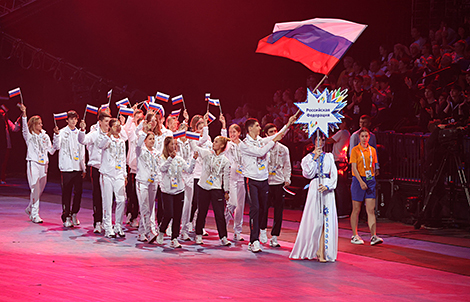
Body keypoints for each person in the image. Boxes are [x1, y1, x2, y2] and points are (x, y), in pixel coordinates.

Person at [239, 115, 295, 253]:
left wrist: (288, 124)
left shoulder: (260, 141)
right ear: (250, 128)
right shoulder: (244, 144)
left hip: (264, 180)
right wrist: (272, 141)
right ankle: (254, 240)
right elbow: (260, 152)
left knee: (264, 209)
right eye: (257, 126)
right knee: (255, 209)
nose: (260, 128)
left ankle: (259, 236)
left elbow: (278, 136)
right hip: (251, 180)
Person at [289, 134, 338, 261]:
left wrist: (328, 186)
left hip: (326, 189)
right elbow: (308, 174)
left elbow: (334, 175)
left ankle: (322, 251)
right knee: (316, 220)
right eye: (317, 139)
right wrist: (314, 158)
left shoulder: (329, 156)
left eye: (322, 139)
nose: (320, 142)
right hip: (315, 187)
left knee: (326, 219)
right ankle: (314, 248)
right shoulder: (307, 158)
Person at [190, 135, 232, 246]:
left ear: (222, 145)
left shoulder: (225, 161)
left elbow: (226, 177)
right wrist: (190, 135)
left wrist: (226, 191)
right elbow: (194, 147)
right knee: (201, 212)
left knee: (219, 214)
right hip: (203, 187)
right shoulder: (207, 154)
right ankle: (198, 234)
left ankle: (223, 237)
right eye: (213, 141)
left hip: (216, 188)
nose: (213, 143)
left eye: (216, 142)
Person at [157, 136, 197, 248]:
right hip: (167, 191)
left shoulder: (179, 159)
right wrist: (170, 158)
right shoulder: (162, 158)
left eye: (175, 144)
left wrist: (193, 160)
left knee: (177, 215)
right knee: (168, 213)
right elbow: (162, 169)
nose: (174, 146)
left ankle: (174, 238)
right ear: (167, 146)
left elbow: (188, 170)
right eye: (172, 144)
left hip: (179, 189)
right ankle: (161, 231)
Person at [19, 104, 55, 223]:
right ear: (34, 124)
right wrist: (24, 113)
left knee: (40, 189)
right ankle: (35, 214)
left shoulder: (45, 136)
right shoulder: (29, 135)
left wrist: (57, 139)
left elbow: (52, 150)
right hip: (33, 163)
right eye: (39, 123)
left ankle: (30, 207)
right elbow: (24, 127)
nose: (41, 125)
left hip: (44, 164)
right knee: (35, 187)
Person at [78, 110, 111, 233]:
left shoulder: (111, 134)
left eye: (109, 121)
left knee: (108, 197)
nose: (108, 124)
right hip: (97, 168)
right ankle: (97, 221)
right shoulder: (94, 133)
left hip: (109, 170)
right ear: (100, 122)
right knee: (97, 195)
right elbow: (83, 140)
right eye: (106, 121)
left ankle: (106, 221)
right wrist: (82, 130)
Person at [259, 123, 291, 248]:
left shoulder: (283, 149)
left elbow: (287, 165)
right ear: (266, 135)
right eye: (271, 132)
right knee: (263, 208)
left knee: (279, 210)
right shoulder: (263, 146)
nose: (274, 134)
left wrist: (287, 178)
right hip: (265, 181)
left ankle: (274, 236)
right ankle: (262, 230)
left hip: (278, 182)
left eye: (275, 131)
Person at [349, 128, 383, 246]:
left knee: (371, 210)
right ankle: (355, 234)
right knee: (356, 209)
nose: (364, 139)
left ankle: (373, 235)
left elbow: (373, 165)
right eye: (362, 136)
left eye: (366, 136)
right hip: (358, 180)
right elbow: (354, 168)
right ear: (359, 137)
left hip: (369, 180)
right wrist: (361, 181)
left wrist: (371, 179)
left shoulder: (372, 150)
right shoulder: (355, 150)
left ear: (369, 137)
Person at [53, 110, 86, 228]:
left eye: (75, 118)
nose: (73, 121)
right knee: (66, 193)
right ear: (67, 120)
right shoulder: (62, 132)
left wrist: (84, 168)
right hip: (67, 168)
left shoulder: (80, 133)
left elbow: (82, 151)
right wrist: (56, 135)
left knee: (78, 193)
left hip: (77, 168)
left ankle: (74, 213)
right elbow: (56, 146)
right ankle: (66, 216)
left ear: (77, 120)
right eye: (71, 118)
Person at [96, 118, 128, 238]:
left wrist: (124, 174)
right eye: (115, 126)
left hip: (119, 174)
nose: (118, 128)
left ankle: (118, 226)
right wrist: (108, 135)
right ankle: (108, 227)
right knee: (107, 202)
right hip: (107, 174)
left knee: (121, 200)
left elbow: (123, 159)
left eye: (119, 125)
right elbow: (100, 146)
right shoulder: (106, 138)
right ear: (110, 127)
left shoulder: (122, 141)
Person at [220, 117, 246, 241]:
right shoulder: (228, 145)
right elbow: (222, 140)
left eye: (234, 132)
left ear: (239, 133)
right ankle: (223, 227)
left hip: (241, 179)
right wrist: (224, 126)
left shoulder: (243, 145)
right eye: (230, 132)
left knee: (240, 206)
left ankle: (237, 231)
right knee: (232, 204)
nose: (232, 134)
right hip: (231, 178)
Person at [135, 123, 159, 243]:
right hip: (142, 182)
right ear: (144, 140)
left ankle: (141, 233)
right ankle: (149, 232)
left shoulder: (156, 152)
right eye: (150, 139)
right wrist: (144, 131)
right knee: (144, 208)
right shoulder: (141, 150)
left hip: (153, 182)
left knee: (149, 208)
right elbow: (138, 144)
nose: (152, 141)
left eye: (153, 139)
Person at [123, 106, 145, 228]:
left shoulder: (144, 133)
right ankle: (131, 214)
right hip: (133, 166)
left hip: (143, 167)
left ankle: (137, 216)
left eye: (141, 118)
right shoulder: (132, 131)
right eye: (137, 118)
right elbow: (126, 129)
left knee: (140, 195)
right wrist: (130, 116)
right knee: (132, 194)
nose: (139, 120)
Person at [326, 116, 351, 217]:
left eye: (341, 122)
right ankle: (343, 209)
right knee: (341, 186)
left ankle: (342, 210)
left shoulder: (342, 132)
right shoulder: (347, 133)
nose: (339, 124)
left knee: (339, 186)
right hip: (342, 160)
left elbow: (329, 141)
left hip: (338, 161)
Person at [0, 105, 20, 184]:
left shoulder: (7, 121)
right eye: (1, 113)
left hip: (6, 146)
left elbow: (15, 128)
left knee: (3, 163)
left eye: (3, 113)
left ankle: (2, 178)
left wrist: (18, 122)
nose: (2, 115)